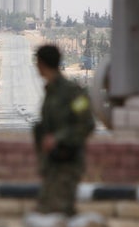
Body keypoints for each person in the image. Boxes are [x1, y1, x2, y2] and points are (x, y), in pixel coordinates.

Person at [33, 44, 95, 216]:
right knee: (47, 211)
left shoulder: (72, 92)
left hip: (68, 163)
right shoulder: (50, 91)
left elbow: (87, 124)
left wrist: (58, 138)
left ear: (42, 64)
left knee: (59, 212)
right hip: (53, 163)